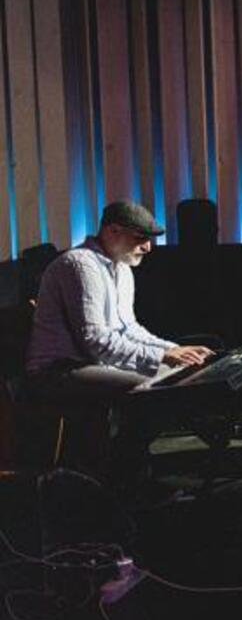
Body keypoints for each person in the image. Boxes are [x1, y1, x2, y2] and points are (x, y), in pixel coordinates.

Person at [24, 200, 214, 482]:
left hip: (92, 363)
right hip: (57, 370)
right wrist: (160, 357)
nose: (148, 247)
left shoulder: (121, 268)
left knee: (175, 377)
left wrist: (174, 350)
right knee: (152, 390)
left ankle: (124, 469)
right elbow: (95, 340)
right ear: (113, 231)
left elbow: (129, 329)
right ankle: (122, 474)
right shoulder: (80, 265)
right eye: (140, 238)